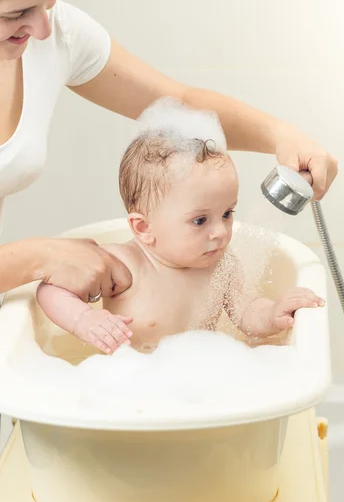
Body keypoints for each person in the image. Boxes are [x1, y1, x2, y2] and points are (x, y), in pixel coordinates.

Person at [0, 0, 337, 306]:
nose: (44, 28)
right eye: (16, 14)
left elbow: (182, 103)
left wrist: (281, 136)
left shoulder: (55, 32)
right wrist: (38, 257)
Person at [36, 98, 325, 354]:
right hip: (130, 385)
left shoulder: (221, 267)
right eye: (200, 220)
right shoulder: (123, 266)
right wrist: (83, 319)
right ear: (143, 229)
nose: (221, 232)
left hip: (192, 382)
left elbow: (248, 313)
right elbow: (51, 289)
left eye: (227, 213)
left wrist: (274, 313)